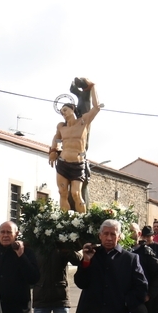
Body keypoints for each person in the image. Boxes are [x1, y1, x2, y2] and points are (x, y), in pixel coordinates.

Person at [48, 79, 101, 213]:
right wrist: (53, 150)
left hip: (78, 164)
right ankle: (64, 222)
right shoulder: (61, 126)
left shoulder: (83, 122)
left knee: (76, 194)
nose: (63, 113)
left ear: (72, 109)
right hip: (63, 162)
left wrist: (92, 86)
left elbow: (96, 107)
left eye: (65, 110)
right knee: (62, 192)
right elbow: (57, 138)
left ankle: (82, 223)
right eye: (61, 112)